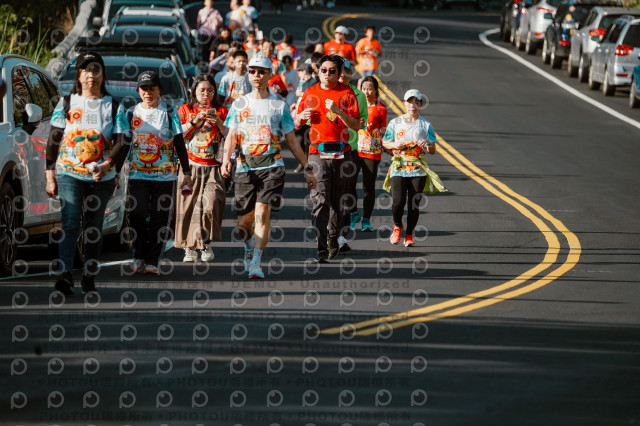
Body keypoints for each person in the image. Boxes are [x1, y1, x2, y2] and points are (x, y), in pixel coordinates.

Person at [222, 54, 317, 279]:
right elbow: (231, 136)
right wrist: (226, 160)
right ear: (248, 74)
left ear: (270, 75)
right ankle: (248, 247)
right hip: (245, 167)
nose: (256, 75)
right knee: (243, 224)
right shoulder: (239, 104)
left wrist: (308, 168)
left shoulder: (279, 104)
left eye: (261, 71)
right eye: (253, 71)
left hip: (272, 166)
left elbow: (291, 141)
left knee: (262, 213)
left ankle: (256, 262)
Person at [45, 51, 130, 295]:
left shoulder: (114, 106)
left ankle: (89, 275)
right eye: (85, 70)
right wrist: (50, 175)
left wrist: (108, 167)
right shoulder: (67, 103)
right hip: (69, 173)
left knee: (93, 226)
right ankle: (64, 275)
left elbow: (123, 141)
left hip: (100, 176)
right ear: (79, 75)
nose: (90, 75)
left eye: (95, 70)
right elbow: (53, 138)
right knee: (70, 222)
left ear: (103, 75)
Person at [125, 71, 193, 274]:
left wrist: (186, 171)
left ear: (159, 90)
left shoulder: (169, 112)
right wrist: (115, 170)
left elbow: (179, 142)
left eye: (151, 88)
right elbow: (123, 143)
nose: (147, 92)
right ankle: (138, 255)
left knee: (159, 217)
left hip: (165, 175)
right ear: (138, 91)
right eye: (144, 89)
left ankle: (152, 260)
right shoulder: (131, 113)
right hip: (137, 173)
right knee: (136, 213)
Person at [296, 54, 360, 262]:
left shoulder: (347, 93)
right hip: (317, 153)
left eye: (332, 71)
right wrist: (300, 117)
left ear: (339, 73)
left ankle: (333, 237)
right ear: (318, 71)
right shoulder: (310, 92)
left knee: (337, 201)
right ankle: (321, 247)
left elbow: (356, 125)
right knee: (320, 200)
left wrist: (338, 111)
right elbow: (296, 122)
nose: (327, 74)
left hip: (342, 153)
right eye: (323, 70)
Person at [381, 89, 446, 247]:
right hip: (399, 166)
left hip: (418, 169)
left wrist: (428, 144)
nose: (413, 105)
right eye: (410, 102)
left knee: (414, 204)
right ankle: (397, 226)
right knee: (398, 202)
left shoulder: (426, 125)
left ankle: (409, 235)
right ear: (404, 104)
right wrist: (395, 144)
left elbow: (432, 150)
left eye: (417, 102)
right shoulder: (395, 123)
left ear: (421, 105)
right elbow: (385, 142)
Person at [175, 74, 228, 263]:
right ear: (194, 91)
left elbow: (232, 136)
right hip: (189, 166)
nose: (206, 94)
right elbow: (176, 135)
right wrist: (193, 122)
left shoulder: (222, 110)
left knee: (211, 203)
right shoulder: (185, 109)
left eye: (210, 90)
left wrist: (219, 123)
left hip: (213, 167)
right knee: (188, 207)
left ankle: (206, 242)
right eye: (202, 90)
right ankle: (189, 247)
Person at [334, 59, 367, 252]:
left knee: (346, 193)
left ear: (351, 73)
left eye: (346, 71)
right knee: (329, 194)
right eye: (339, 70)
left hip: (350, 150)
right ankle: (330, 232)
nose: (342, 74)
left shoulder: (359, 95)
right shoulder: (326, 92)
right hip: (327, 150)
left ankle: (341, 235)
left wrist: (353, 121)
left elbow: (363, 121)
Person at [355, 76, 387, 231]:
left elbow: (383, 129)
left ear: (375, 90)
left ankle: (366, 220)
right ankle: (353, 213)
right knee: (348, 183)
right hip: (355, 149)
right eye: (364, 89)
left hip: (372, 151)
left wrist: (384, 140)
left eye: (370, 89)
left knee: (368, 186)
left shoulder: (381, 108)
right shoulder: (355, 106)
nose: (366, 92)